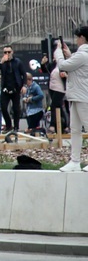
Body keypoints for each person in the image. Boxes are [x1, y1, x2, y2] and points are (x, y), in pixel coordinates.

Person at [57, 26, 88, 172]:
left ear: (82, 38)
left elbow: (63, 66)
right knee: (75, 129)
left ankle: (75, 160)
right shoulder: (81, 55)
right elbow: (76, 66)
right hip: (78, 96)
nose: (76, 40)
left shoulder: (83, 54)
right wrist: (69, 55)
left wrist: (58, 52)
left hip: (83, 97)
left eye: (77, 37)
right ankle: (75, 161)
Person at [0, 44, 25, 134]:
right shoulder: (3, 63)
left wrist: (24, 85)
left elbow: (24, 74)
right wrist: (1, 62)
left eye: (9, 52)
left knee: (16, 109)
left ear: (12, 52)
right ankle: (8, 125)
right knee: (3, 107)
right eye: (5, 52)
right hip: (5, 89)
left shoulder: (18, 62)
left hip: (15, 89)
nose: (7, 54)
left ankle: (16, 127)